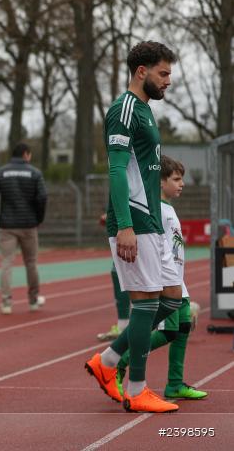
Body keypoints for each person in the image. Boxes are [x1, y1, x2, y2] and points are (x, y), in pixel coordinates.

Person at [84, 40, 181, 413]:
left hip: (152, 220)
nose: (168, 81)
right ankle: (137, 389)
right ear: (142, 71)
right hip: (135, 221)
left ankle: (108, 361)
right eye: (163, 73)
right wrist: (124, 225)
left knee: (172, 298)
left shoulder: (144, 110)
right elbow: (116, 169)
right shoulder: (124, 109)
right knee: (146, 302)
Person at [114, 156, 207, 401]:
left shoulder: (169, 209)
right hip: (165, 281)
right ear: (160, 182)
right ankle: (119, 364)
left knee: (183, 328)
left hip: (177, 279)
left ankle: (175, 384)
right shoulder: (154, 210)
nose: (182, 184)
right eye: (176, 179)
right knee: (167, 333)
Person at [0, 142, 48, 314]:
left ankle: (6, 303)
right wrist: (39, 218)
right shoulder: (35, 173)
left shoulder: (0, 172)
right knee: (31, 263)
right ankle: (33, 301)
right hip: (28, 224)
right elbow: (42, 197)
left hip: (7, 226)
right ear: (26, 154)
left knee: (6, 264)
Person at [96, 213, 131, 341]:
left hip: (136, 232)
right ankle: (124, 325)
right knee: (118, 274)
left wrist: (114, 215)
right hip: (126, 232)